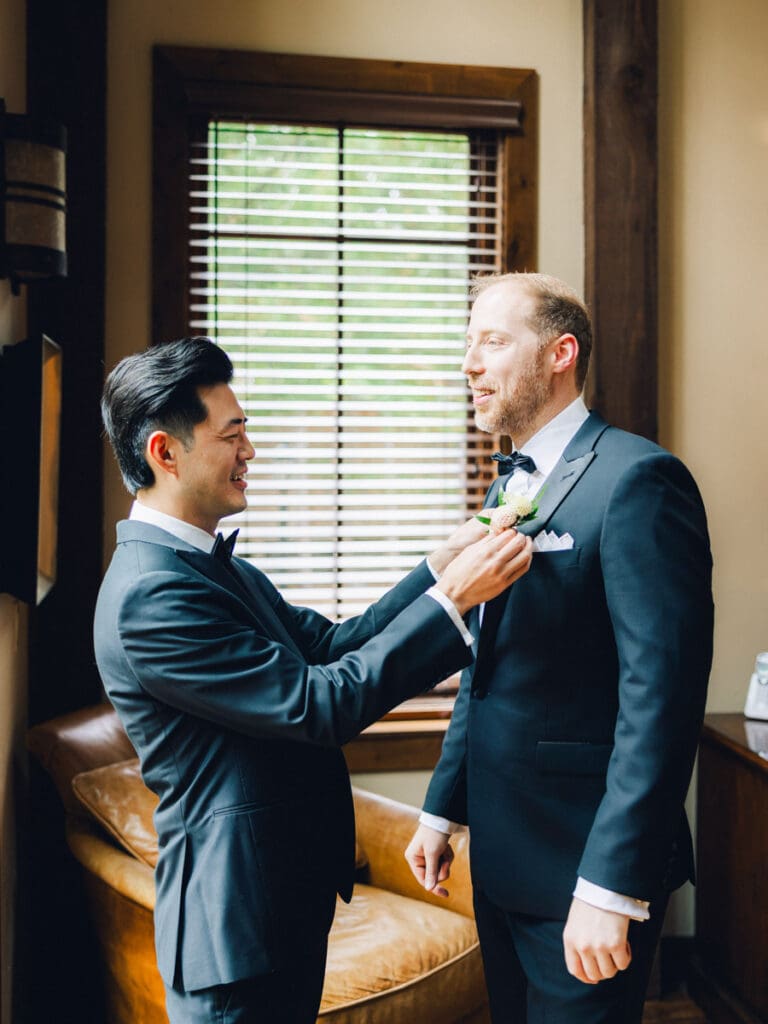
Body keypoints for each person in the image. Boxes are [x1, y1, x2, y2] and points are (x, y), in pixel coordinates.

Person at [93, 336, 533, 1024]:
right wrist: (455, 602)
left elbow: (330, 646)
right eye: (232, 433)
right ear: (164, 452)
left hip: (279, 908)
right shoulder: (151, 596)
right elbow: (319, 703)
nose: (251, 451)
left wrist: (436, 567)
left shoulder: (212, 566)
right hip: (233, 933)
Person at [405, 273, 713, 1024]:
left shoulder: (638, 479)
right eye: (466, 344)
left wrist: (611, 885)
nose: (469, 364)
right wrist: (443, 808)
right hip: (503, 860)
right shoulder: (504, 489)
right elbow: (488, 661)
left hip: (586, 871)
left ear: (560, 354)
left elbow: (661, 699)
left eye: (492, 342)